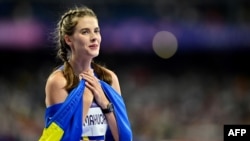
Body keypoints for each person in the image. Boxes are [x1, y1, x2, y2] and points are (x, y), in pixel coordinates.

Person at [39, 6, 133, 141]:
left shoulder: (109, 78)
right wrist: (86, 100)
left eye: (96, 31)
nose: (94, 37)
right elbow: (60, 136)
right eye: (85, 32)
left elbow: (122, 138)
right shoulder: (59, 81)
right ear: (68, 40)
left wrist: (105, 103)